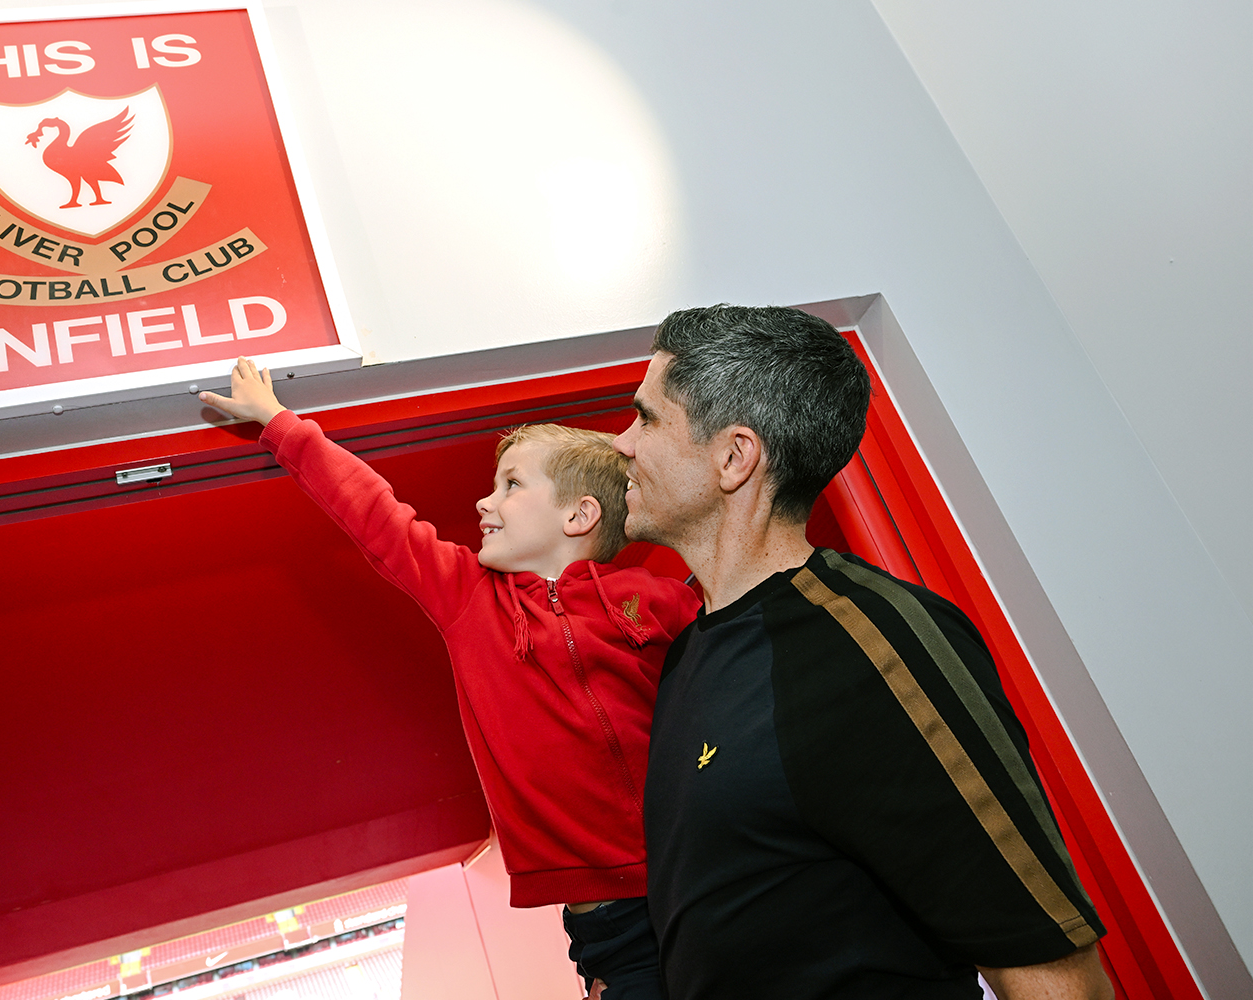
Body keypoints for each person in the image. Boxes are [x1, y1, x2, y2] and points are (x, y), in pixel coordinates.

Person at [613, 306, 1114, 1000]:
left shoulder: (874, 641)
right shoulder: (685, 656)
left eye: (646, 418)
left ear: (734, 457)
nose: (621, 443)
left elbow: (1053, 973)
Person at [201, 357, 703, 1000]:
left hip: (697, 868)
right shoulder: (470, 598)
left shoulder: (656, 600)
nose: (482, 501)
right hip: (610, 918)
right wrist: (280, 424)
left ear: (578, 516)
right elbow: (377, 518)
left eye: (511, 485)